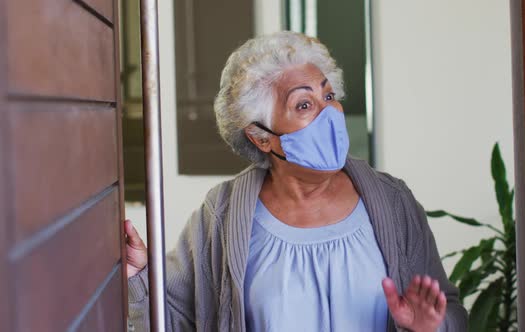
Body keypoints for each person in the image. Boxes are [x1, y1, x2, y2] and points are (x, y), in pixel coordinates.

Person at [126, 31, 468, 332]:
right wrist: (139, 276)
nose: (330, 113)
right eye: (305, 104)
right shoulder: (223, 214)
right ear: (261, 137)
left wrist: (429, 328)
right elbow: (176, 315)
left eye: (329, 97)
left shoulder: (394, 202)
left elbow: (448, 310)